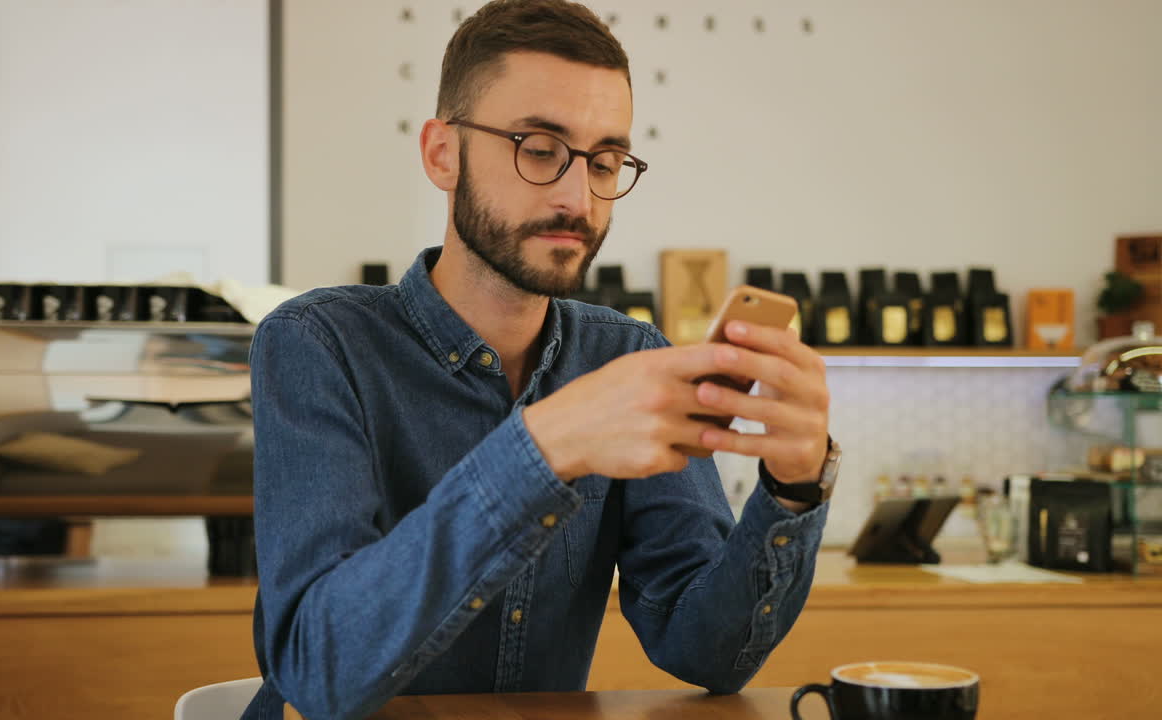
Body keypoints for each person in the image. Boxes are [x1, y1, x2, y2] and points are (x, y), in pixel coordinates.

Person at [241, 2, 836, 718]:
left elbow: (704, 651)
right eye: (540, 148)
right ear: (442, 154)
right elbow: (316, 671)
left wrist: (795, 487)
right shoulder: (316, 344)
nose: (577, 197)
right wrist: (546, 447)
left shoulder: (627, 355)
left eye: (606, 160)